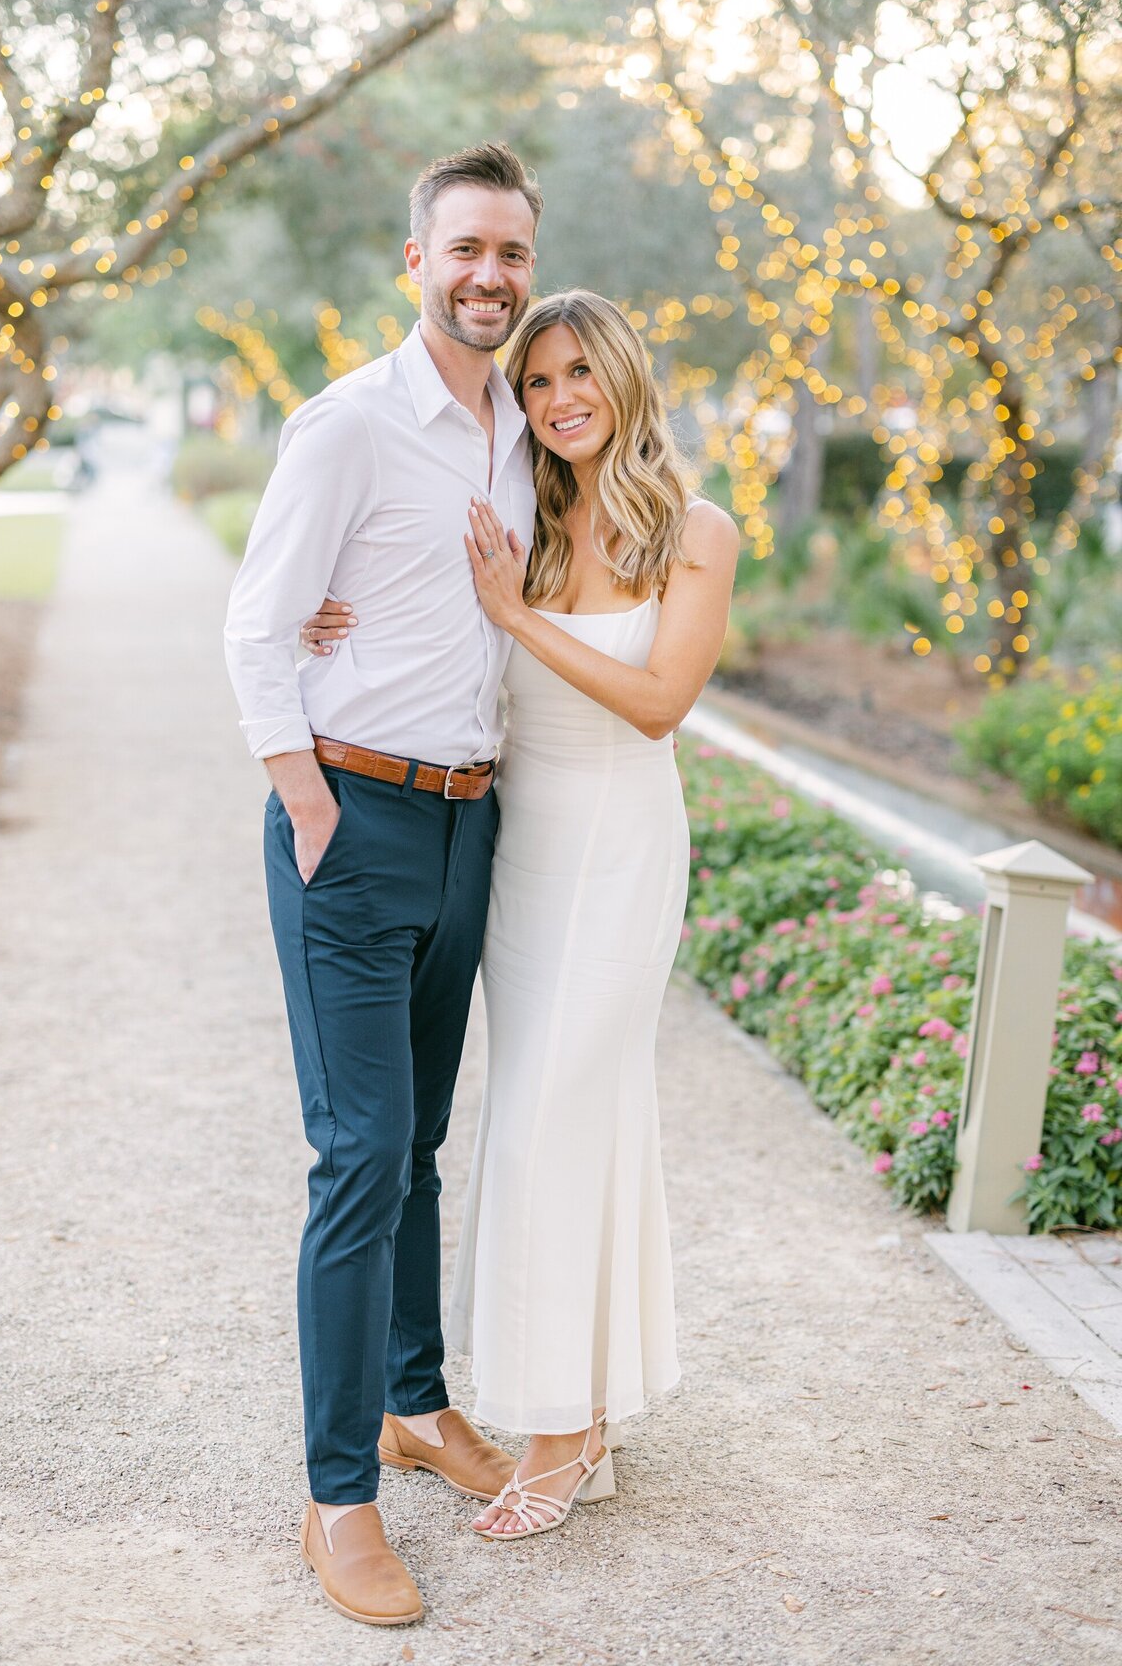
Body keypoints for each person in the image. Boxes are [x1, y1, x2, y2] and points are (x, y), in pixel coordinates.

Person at [303, 289, 738, 1541]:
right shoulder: (526, 520)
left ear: (624, 374)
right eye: (538, 381)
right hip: (518, 847)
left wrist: (516, 617)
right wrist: (323, 623)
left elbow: (660, 702)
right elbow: (405, 603)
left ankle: (562, 1435)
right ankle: (581, 1414)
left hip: (620, 843)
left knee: (552, 1116)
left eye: (578, 373)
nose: (558, 400)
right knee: (555, 1122)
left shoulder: (694, 530)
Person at [223, 143, 544, 1628]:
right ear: (414, 259)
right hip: (349, 821)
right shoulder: (349, 425)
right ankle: (336, 1495)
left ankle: (418, 1404)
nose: (490, 276)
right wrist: (306, 801)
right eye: (466, 248)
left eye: (513, 255)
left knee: (418, 1142)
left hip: (470, 826)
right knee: (358, 1158)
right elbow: (257, 628)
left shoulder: (526, 435)